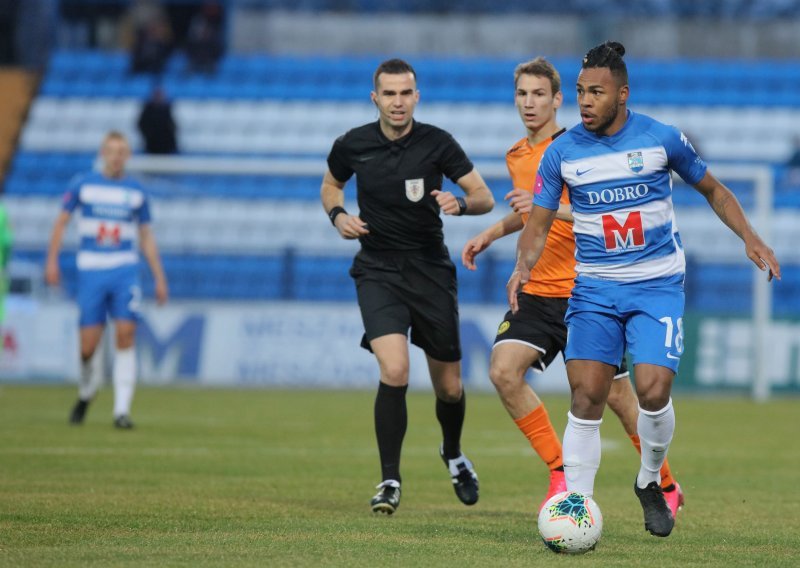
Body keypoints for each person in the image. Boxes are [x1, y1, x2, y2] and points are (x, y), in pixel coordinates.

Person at [507, 41, 780, 538]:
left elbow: (714, 190)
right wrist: (522, 267)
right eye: (582, 92)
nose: (586, 101)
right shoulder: (562, 154)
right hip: (593, 288)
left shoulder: (660, 139)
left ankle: (650, 480)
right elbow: (539, 222)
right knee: (586, 394)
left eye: (597, 92)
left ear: (622, 94)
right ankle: (576, 507)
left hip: (656, 285)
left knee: (653, 391)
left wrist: (750, 236)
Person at [461, 57, 683, 515]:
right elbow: (532, 214)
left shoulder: (582, 146)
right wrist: (493, 232)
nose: (529, 103)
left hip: (589, 287)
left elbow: (594, 212)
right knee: (503, 370)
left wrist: (536, 212)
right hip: (540, 289)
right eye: (522, 94)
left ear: (558, 100)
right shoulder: (517, 154)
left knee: (620, 400)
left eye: (539, 94)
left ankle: (664, 483)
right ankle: (560, 471)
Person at [320, 58, 495, 515]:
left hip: (430, 272)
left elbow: (484, 196)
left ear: (417, 96)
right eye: (389, 94)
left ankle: (452, 452)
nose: (398, 102)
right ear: (374, 97)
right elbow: (330, 186)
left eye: (405, 93)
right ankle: (390, 480)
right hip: (377, 270)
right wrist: (337, 216)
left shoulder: (438, 143)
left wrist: (460, 203)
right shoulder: (352, 144)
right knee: (395, 370)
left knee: (450, 389)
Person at [45, 131, 169, 429]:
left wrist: (159, 276)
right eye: (111, 150)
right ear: (103, 153)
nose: (116, 156)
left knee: (125, 336)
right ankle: (87, 391)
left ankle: (121, 411)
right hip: (91, 271)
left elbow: (146, 235)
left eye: (121, 151)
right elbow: (61, 222)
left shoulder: (137, 192)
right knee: (88, 347)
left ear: (128, 156)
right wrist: (52, 260)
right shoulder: (83, 185)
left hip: (125, 271)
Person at [138, 86, 178, 155]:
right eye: (157, 95)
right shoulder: (148, 109)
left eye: (161, 95)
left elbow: (173, 126)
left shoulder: (167, 109)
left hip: (166, 145)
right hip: (151, 144)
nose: (159, 97)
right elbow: (141, 124)